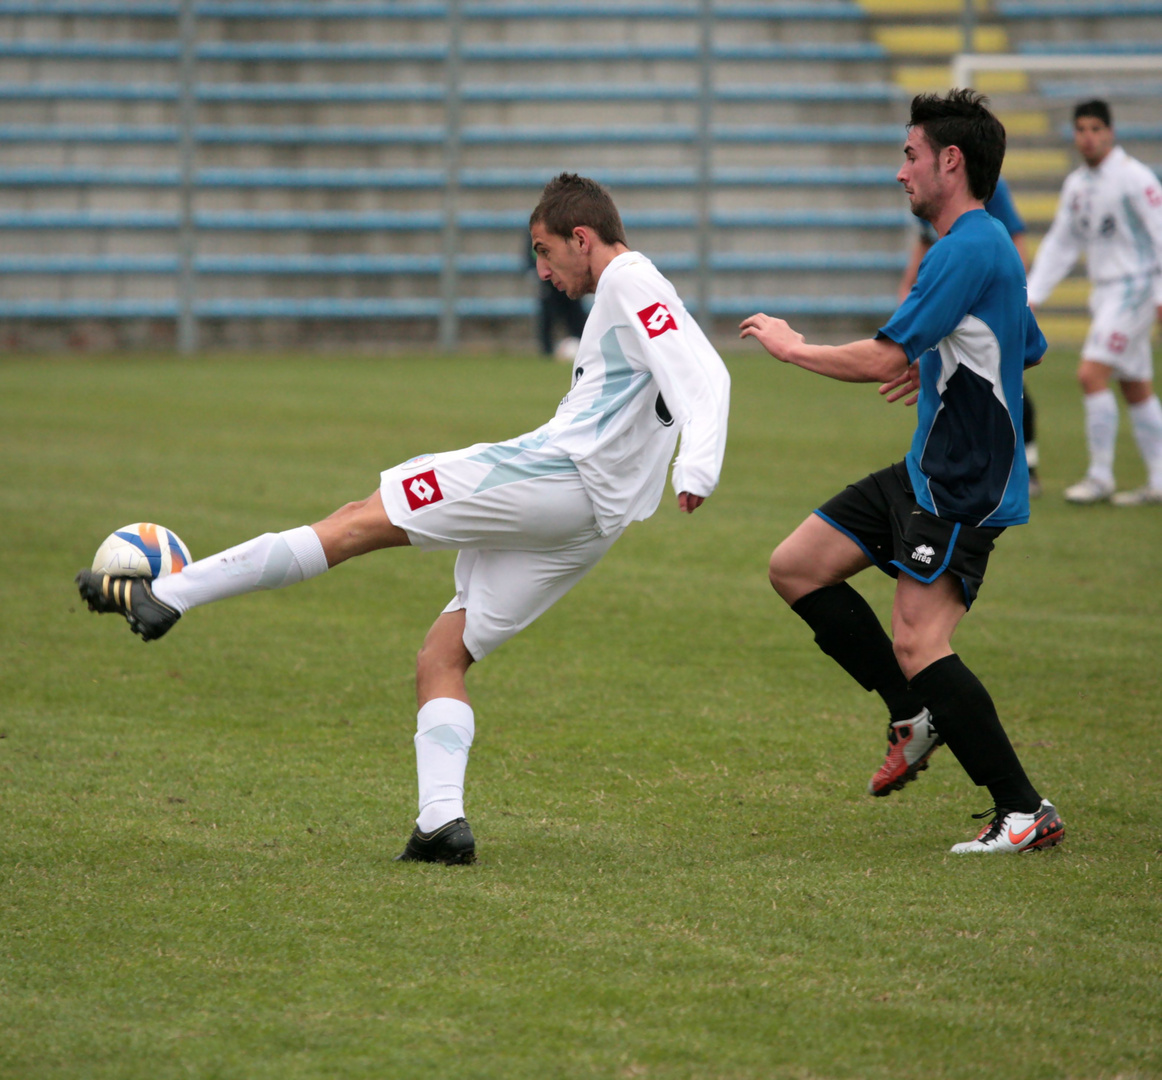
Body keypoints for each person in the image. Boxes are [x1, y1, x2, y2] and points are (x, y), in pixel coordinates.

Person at [76, 172, 731, 866]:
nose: (541, 270)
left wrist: (697, 465)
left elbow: (707, 375)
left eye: (544, 251)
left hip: (557, 474)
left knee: (359, 519)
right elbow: (690, 369)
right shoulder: (634, 290)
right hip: (593, 521)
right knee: (442, 656)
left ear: (581, 238)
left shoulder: (629, 276)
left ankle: (168, 594)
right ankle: (441, 825)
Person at [740, 89, 1064, 855]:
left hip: (962, 485)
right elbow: (1031, 346)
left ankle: (1022, 809)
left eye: (911, 155)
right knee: (797, 567)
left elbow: (881, 357)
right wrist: (946, 353)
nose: (900, 172)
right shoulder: (987, 250)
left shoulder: (966, 248)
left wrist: (793, 347)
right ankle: (912, 715)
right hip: (924, 469)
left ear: (951, 161)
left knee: (921, 641)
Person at [1026, 99, 1162, 506]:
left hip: (1135, 287)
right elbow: (1061, 245)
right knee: (1135, 387)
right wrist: (1032, 294)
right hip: (1105, 293)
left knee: (1090, 375)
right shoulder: (1077, 186)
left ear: (1111, 131)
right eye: (1081, 129)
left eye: (1096, 129)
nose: (1088, 137)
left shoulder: (1133, 178)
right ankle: (1158, 479)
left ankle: (1100, 476)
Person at [898, 175, 1043, 497]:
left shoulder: (985, 200)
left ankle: (1026, 466)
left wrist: (1015, 291)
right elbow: (924, 240)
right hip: (951, 295)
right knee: (955, 379)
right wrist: (908, 287)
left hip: (973, 296)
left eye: (911, 158)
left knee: (1002, 380)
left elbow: (1015, 238)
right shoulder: (935, 203)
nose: (903, 173)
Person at [527, 238, 588, 359]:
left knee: (577, 318)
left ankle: (585, 348)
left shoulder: (565, 231)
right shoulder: (534, 235)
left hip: (568, 283)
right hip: (549, 286)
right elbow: (529, 255)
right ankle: (546, 351)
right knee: (547, 318)